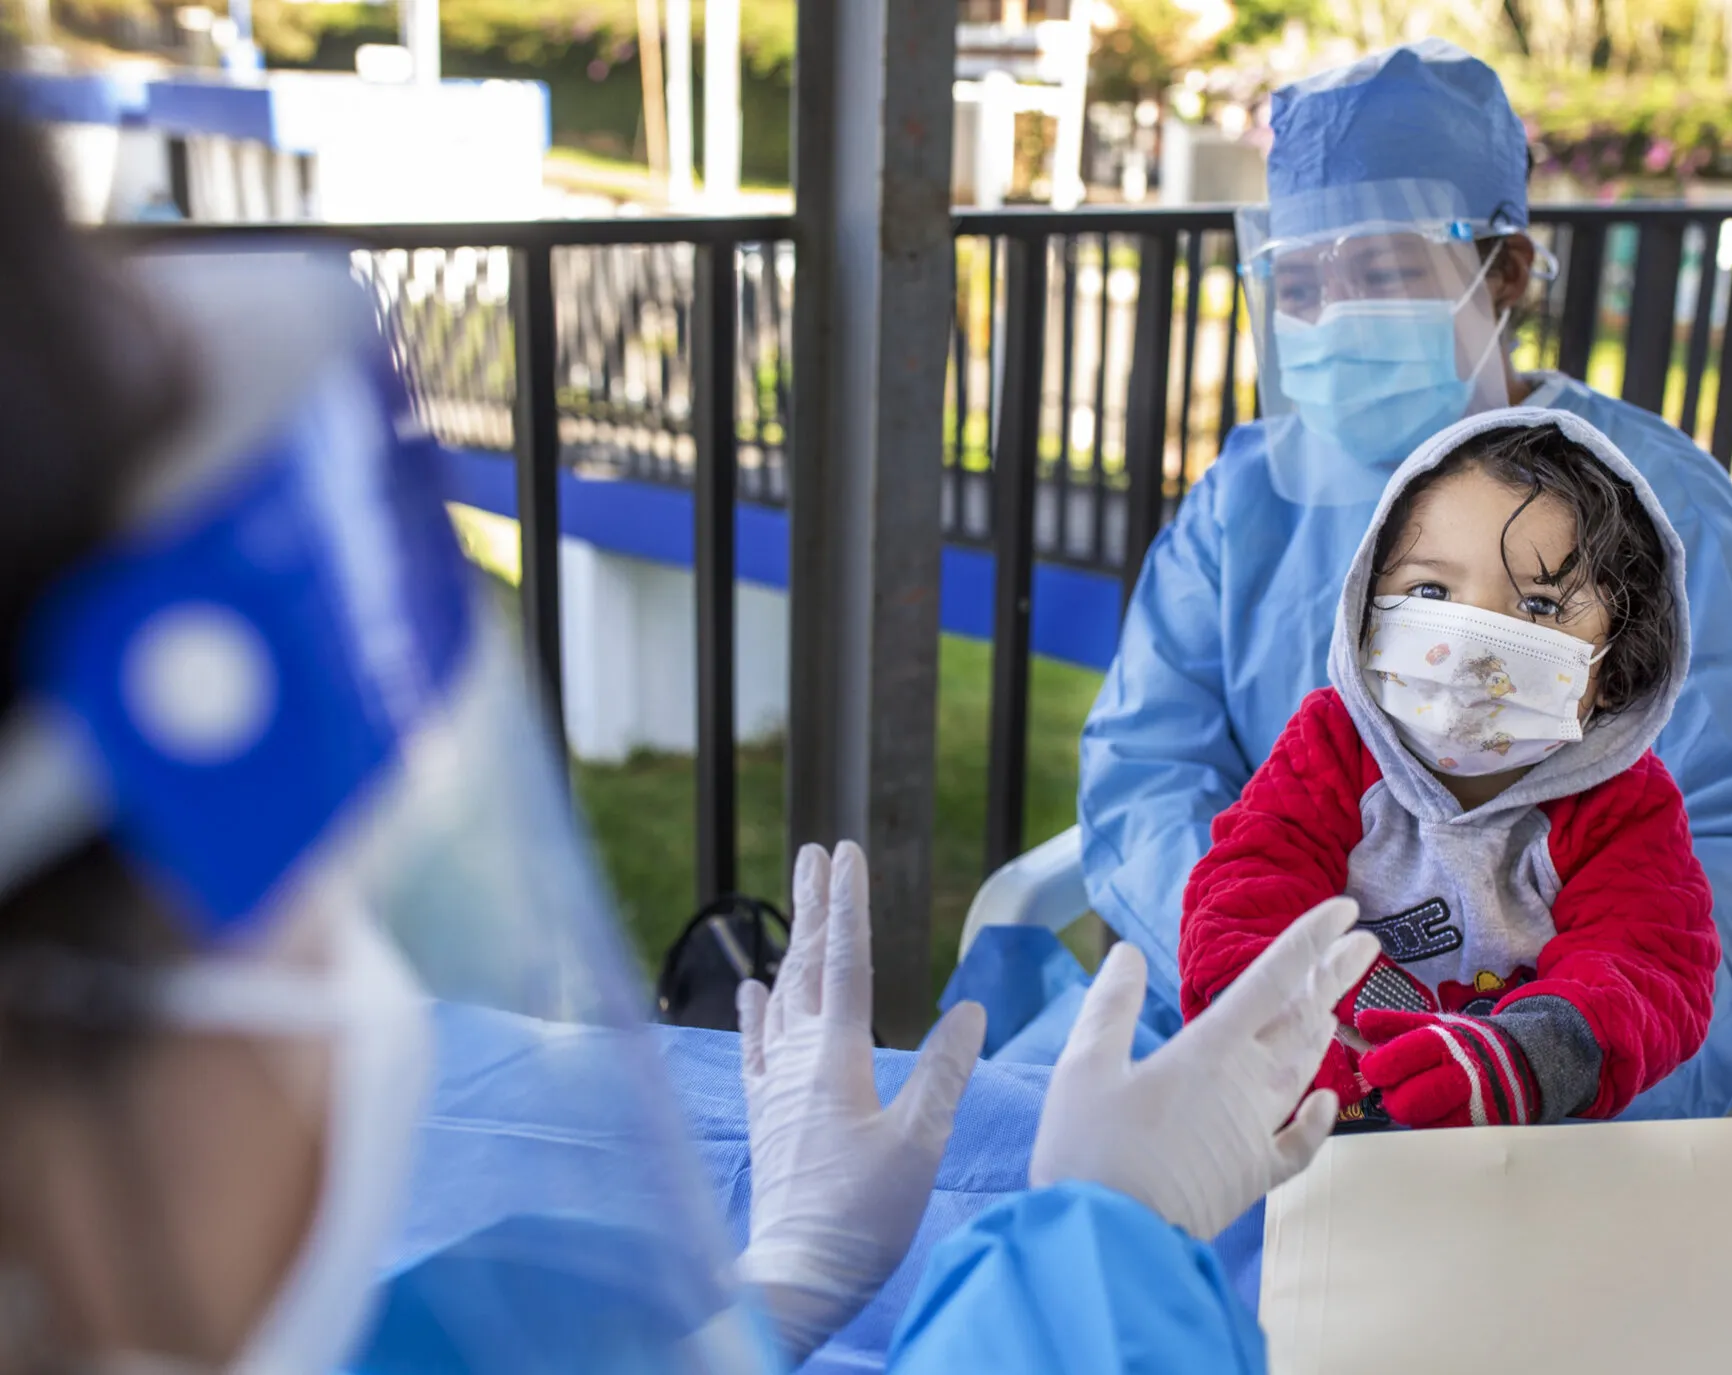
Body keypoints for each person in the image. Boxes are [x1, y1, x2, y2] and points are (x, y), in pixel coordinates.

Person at [0, 100, 1377, 1374]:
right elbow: (1145, 771)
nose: (352, 971)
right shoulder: (1238, 509)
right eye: (257, 887)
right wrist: (1092, 1256)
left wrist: (780, 1285)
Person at [1078, 38, 1732, 1120]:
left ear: (1504, 270)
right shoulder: (1246, 500)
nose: (1335, 310)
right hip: (1239, 1043)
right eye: (1302, 280)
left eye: (1385, 269)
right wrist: (1277, 992)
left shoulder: (1651, 508)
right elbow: (1146, 775)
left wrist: (1554, 1063)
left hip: (1556, 1090)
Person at [1183, 412, 1717, 1132]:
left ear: (1618, 663)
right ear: (1367, 610)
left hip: (1521, 1146)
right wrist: (1269, 1044)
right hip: (1318, 1123)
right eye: (1432, 592)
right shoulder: (1332, 746)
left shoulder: (1625, 807)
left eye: (1538, 604)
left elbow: (1647, 967)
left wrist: (1525, 1060)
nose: (1470, 639)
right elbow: (1244, 896)